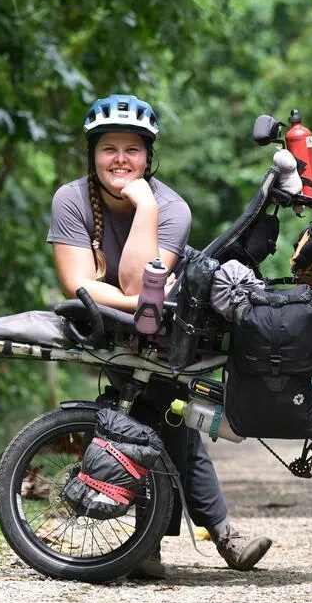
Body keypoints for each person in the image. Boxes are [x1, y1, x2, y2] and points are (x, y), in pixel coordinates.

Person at [47, 93, 272, 578]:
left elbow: (126, 281)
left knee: (163, 415)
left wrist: (144, 204)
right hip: (111, 324)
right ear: (93, 154)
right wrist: (140, 301)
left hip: (167, 332)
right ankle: (215, 540)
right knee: (166, 420)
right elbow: (83, 285)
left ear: (150, 157)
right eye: (110, 149)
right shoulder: (71, 199)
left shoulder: (171, 207)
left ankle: (157, 548)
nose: (121, 160)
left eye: (133, 150)